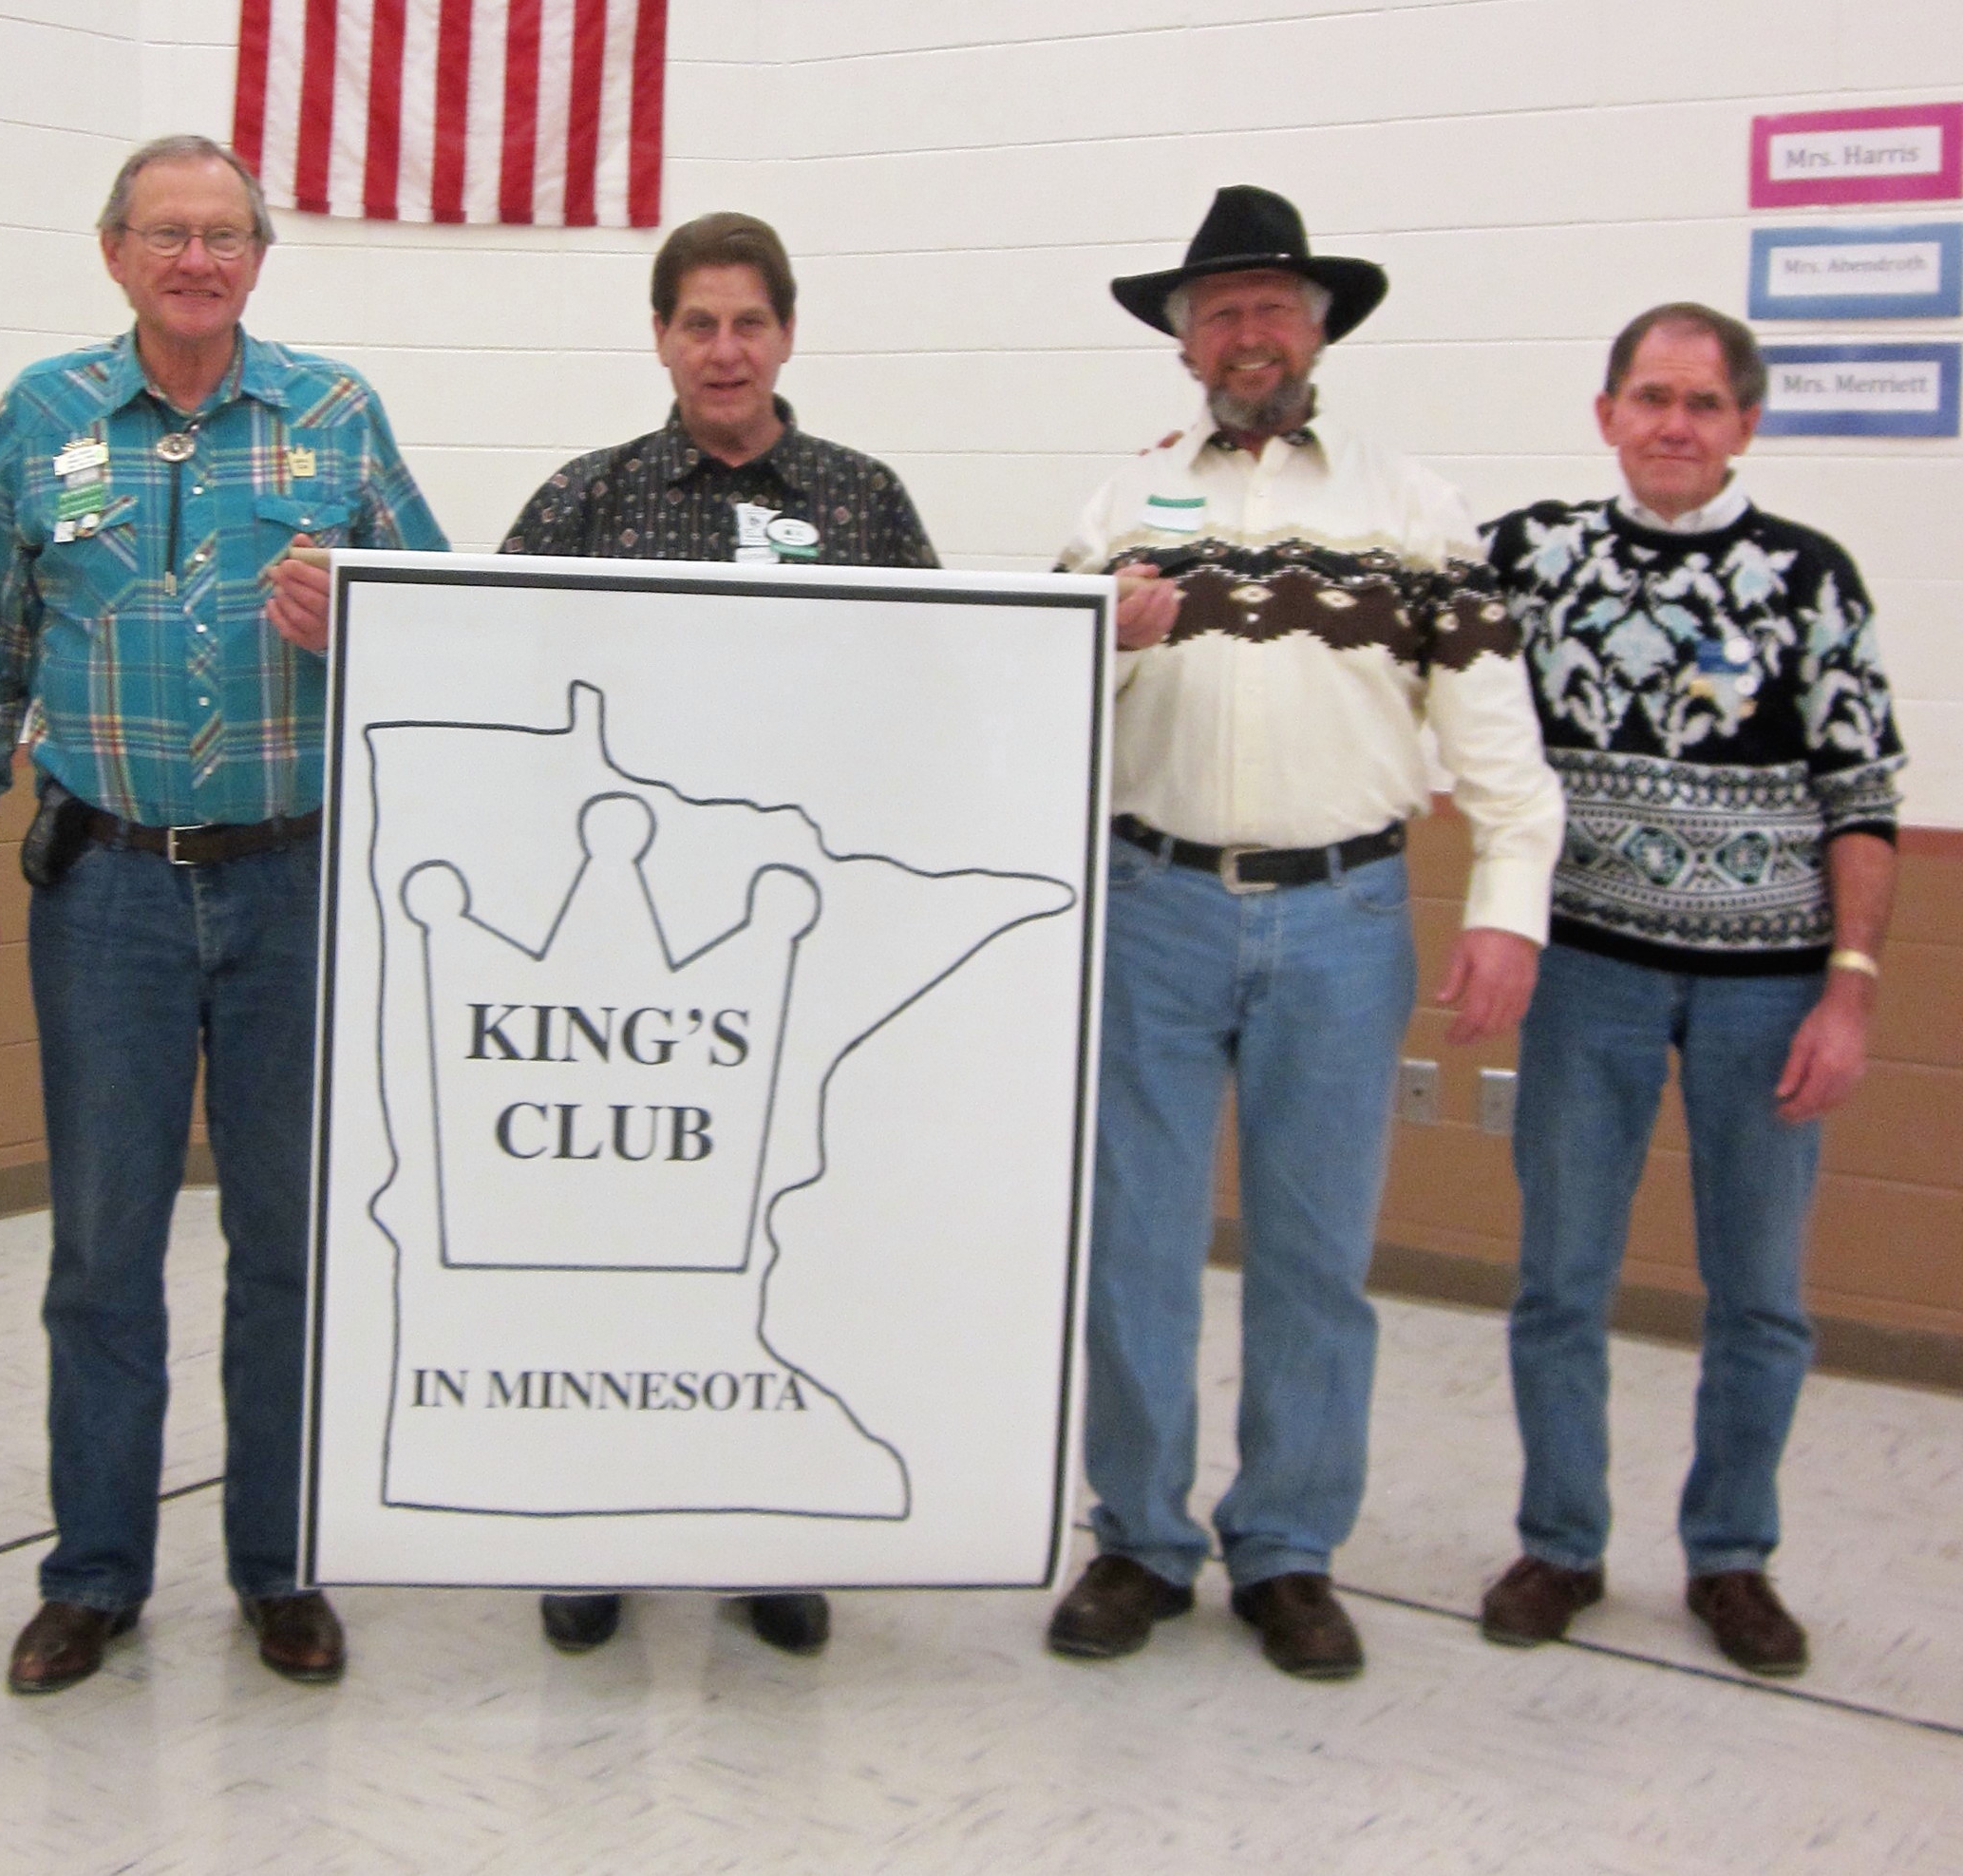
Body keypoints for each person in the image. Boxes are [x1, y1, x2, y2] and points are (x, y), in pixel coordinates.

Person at [276, 210, 940, 1658]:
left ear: (787, 333)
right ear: (659, 337)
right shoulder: (588, 497)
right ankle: (591, 1525)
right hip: (604, 965)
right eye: (698, 323)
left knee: (776, 1227)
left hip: (790, 939)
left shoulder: (866, 503)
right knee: (606, 1232)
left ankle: (764, 1534)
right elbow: (477, 654)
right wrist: (359, 624)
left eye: (748, 323)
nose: (724, 350)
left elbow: (942, 681)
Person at [0, 135, 448, 1696]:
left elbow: (449, 616)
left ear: (260, 259)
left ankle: (280, 1566)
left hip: (294, 886)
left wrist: (365, 612)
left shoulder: (335, 412)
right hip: (108, 893)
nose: (198, 261)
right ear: (114, 254)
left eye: (226, 235)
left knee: (287, 1246)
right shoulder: (42, 417)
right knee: (103, 1252)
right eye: (168, 234)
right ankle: (94, 1575)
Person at [1042, 186, 1563, 1679]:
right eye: (1221, 311)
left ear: (1320, 328)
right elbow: (1039, 709)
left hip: (1345, 918)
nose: (1248, 332)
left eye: (1274, 305)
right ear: (1183, 342)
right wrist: (1110, 645)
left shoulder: (1414, 511)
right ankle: (1139, 1539)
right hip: (1151, 907)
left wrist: (1509, 912)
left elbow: (1499, 741)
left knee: (1317, 1256)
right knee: (1134, 1247)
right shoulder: (1116, 510)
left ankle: (1285, 1548)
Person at [1477, 303, 1902, 1677]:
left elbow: (1862, 800)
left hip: (1767, 996)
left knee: (1760, 1297)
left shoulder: (1809, 576)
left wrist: (1848, 993)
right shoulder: (1532, 559)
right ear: (1606, 414)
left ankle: (1732, 1558)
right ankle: (1561, 1543)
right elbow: (1386, 591)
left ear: (1745, 426)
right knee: (1560, 1279)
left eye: (1703, 403)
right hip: (1588, 973)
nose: (1674, 425)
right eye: (1651, 398)